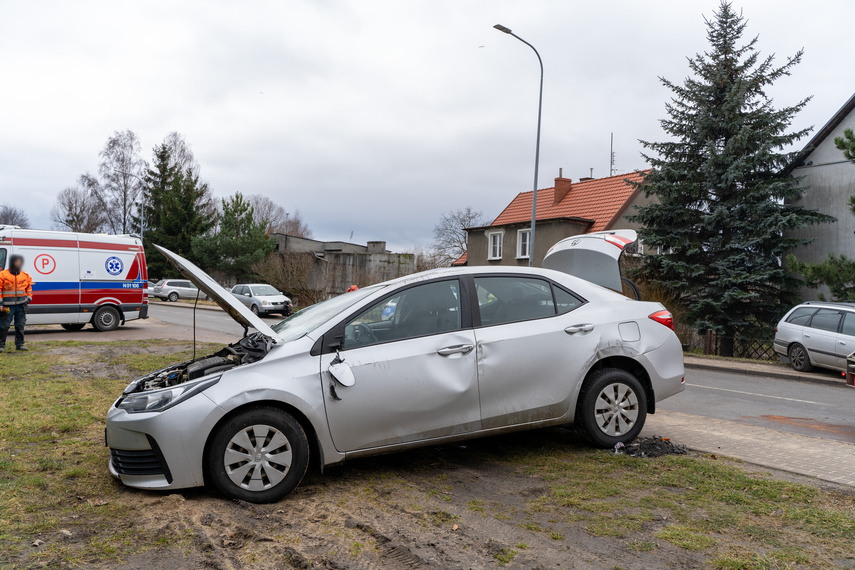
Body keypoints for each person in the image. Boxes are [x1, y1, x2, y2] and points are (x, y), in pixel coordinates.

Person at [0, 254, 33, 352]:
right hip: (7, 305)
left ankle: (20, 344)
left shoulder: (25, 275)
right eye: (17, 261)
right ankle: (1, 345)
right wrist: (0, 303)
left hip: (21, 305)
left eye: (20, 262)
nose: (19, 263)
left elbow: (29, 288)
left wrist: (29, 297)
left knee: (20, 325)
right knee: (3, 326)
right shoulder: (3, 275)